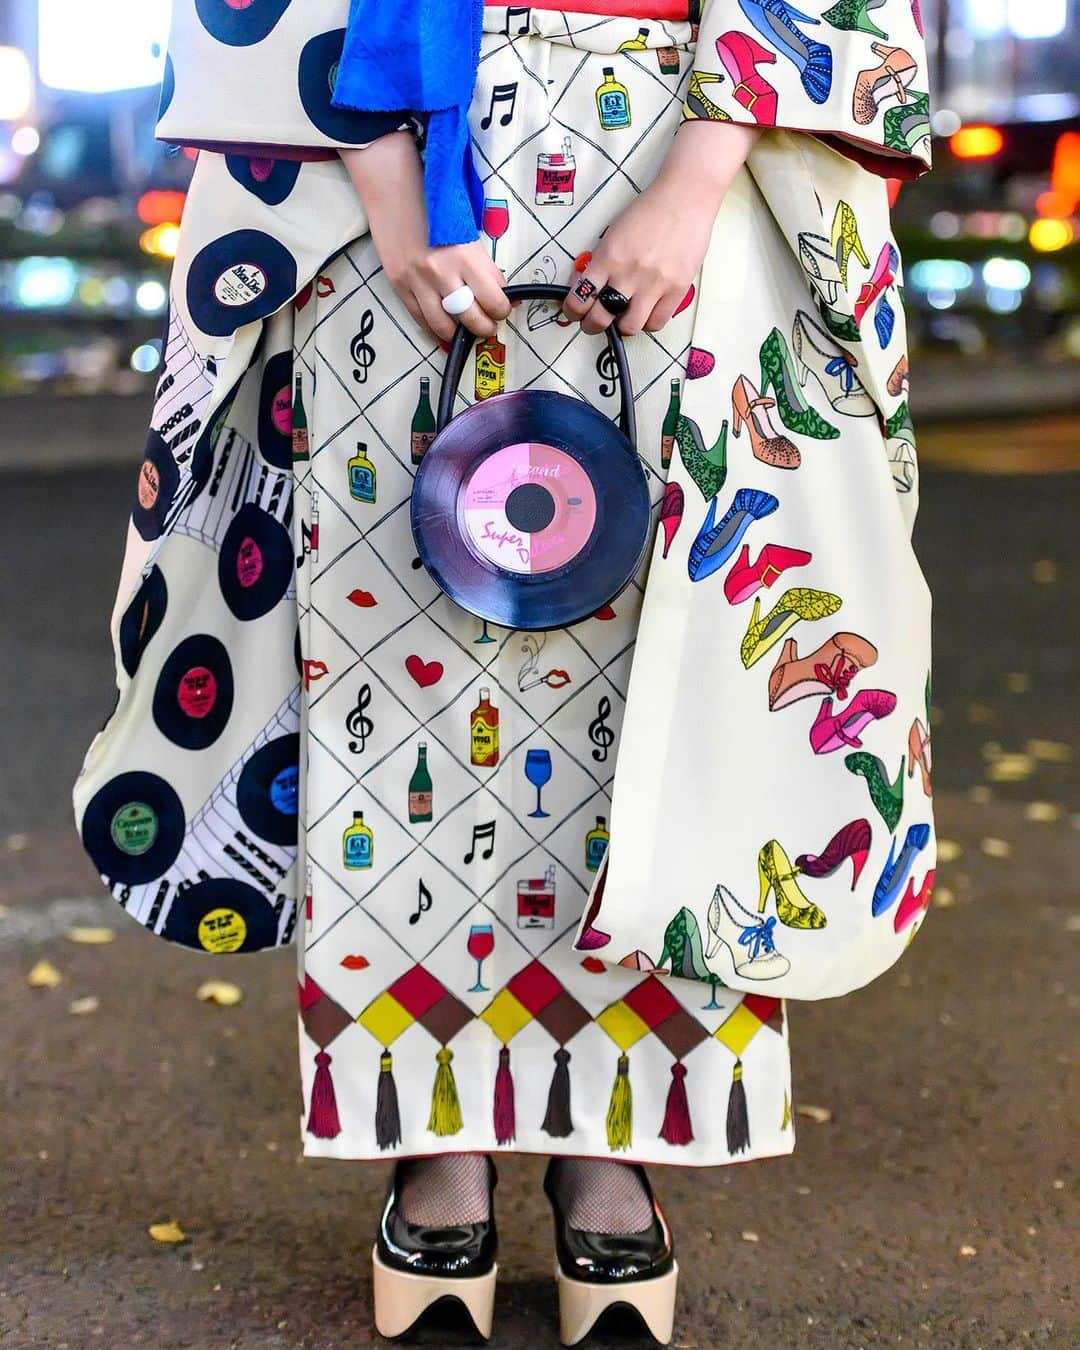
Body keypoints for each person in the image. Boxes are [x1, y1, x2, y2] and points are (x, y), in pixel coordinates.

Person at [72, 1, 935, 1343]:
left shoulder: (686, 186)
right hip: (395, 171)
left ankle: (618, 1134)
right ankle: (435, 1133)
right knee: (390, 651)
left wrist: (696, 182)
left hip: (673, 172)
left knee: (663, 659)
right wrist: (395, 203)